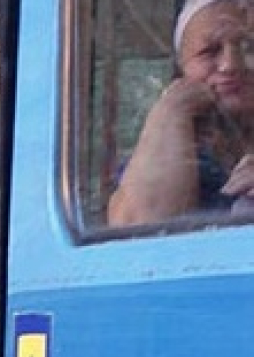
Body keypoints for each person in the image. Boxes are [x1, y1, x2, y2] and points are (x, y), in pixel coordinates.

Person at [107, 0, 254, 226]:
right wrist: (173, 108)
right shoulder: (159, 148)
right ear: (182, 68)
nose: (230, 65)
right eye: (209, 51)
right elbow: (139, 229)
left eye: (249, 48)